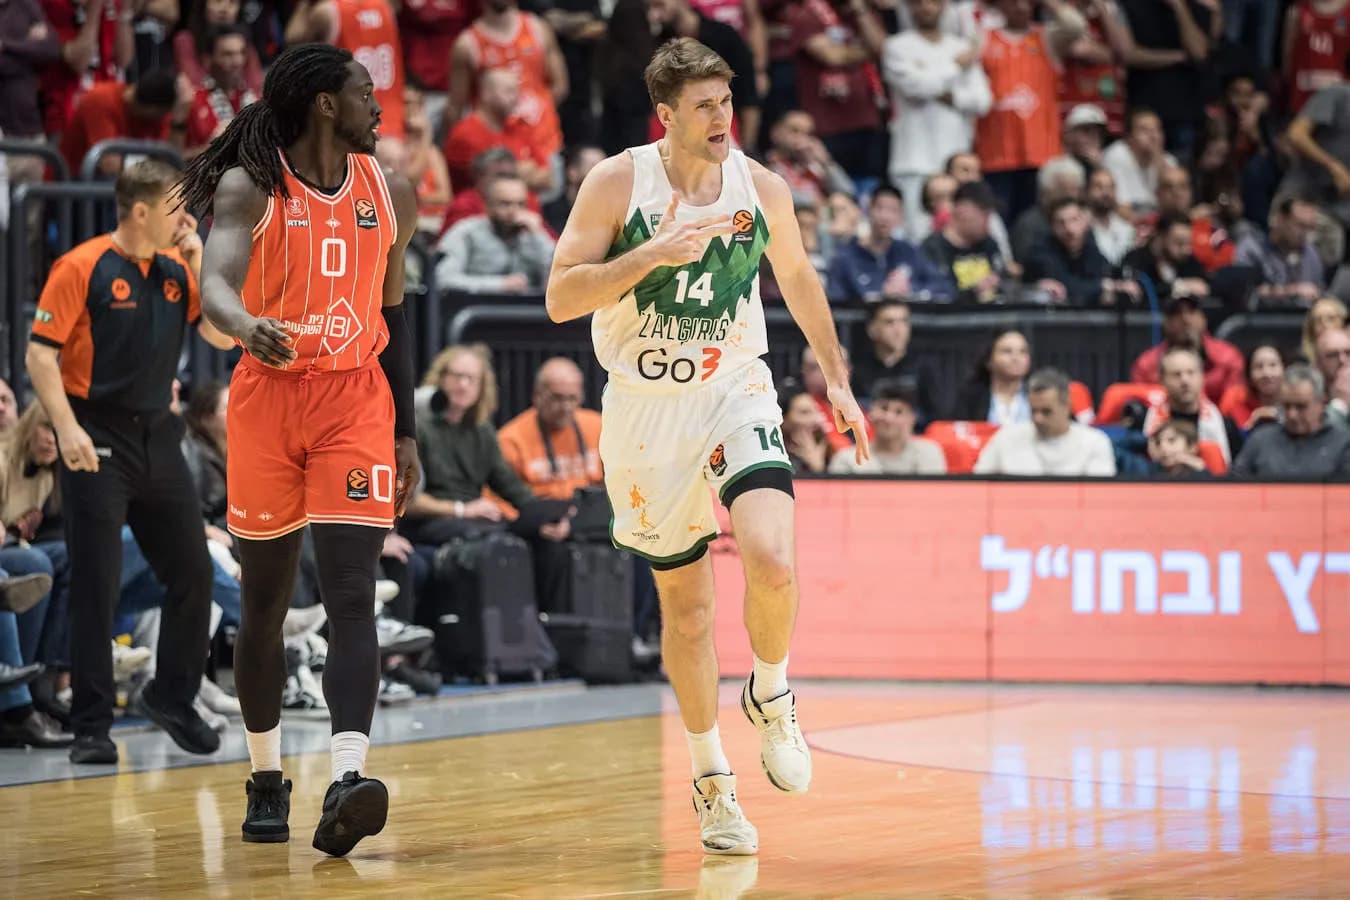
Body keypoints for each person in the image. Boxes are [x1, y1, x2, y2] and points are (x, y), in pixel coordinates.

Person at [545, 37, 870, 855]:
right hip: (648, 411)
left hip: (735, 389)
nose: (722, 115)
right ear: (665, 114)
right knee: (687, 615)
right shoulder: (619, 182)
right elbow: (558, 297)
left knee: (774, 558)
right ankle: (711, 780)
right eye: (704, 104)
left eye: (726, 99)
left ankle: (772, 689)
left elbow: (797, 277)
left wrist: (835, 380)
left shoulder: (762, 187)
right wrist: (649, 254)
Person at [178, 43, 421, 856]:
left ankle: (348, 777)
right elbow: (215, 283)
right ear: (323, 102)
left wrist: (408, 431)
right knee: (264, 605)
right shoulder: (253, 187)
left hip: (354, 399)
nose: (377, 103)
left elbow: (398, 318)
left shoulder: (394, 194)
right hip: (266, 402)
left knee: (353, 591)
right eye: (363, 90)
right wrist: (245, 324)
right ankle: (266, 775)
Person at [25, 160, 235, 766]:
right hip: (95, 432)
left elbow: (221, 338)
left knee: (194, 572)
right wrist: (66, 430)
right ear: (140, 211)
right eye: (175, 208)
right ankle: (92, 726)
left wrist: (199, 261)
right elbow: (41, 357)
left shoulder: (176, 265)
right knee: (96, 582)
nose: (186, 218)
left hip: (157, 435)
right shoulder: (82, 266)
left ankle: (171, 695)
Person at [882, 0, 992, 229]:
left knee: (962, 231)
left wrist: (951, 97)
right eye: (919, 3)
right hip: (913, 161)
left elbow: (982, 100)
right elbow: (916, 87)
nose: (926, 7)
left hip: (957, 160)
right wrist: (955, 67)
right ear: (909, 8)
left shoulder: (959, 46)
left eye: (933, 2)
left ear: (943, 7)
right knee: (918, 233)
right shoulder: (897, 46)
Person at [284, 0, 406, 165]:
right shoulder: (386, 7)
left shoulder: (327, 12)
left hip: (351, 126)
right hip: (392, 124)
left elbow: (292, 40)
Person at [973, 367, 1116, 475]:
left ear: (1066, 406)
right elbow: (978, 486)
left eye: (1046, 411)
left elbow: (1098, 501)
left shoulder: (1095, 443)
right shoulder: (1006, 438)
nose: (1038, 418)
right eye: (1033, 411)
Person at [496, 357, 603, 501]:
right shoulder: (510, 440)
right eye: (557, 398)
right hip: (538, 518)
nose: (565, 407)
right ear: (537, 396)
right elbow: (498, 501)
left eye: (572, 398)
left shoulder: (599, 427)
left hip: (593, 514)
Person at [827, 184, 953, 303]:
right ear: (868, 210)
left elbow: (944, 287)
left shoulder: (909, 251)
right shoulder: (845, 257)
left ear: (900, 216)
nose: (885, 217)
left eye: (893, 210)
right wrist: (881, 297)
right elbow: (837, 301)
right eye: (880, 208)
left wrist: (911, 291)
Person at [434, 172, 557, 293]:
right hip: (477, 307)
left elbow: (560, 279)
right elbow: (442, 279)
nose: (514, 211)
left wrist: (538, 236)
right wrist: (500, 284)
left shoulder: (534, 235)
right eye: (505, 204)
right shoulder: (466, 232)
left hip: (527, 309)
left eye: (520, 204)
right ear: (487, 206)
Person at [1232, 365, 1350, 479]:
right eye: (1286, 406)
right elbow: (1233, 485)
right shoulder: (1261, 439)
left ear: (1322, 403)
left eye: (1301, 407)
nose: (1291, 415)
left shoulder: (1344, 443)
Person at [1129, 294, 1243, 404]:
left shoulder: (1229, 358)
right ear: (1166, 323)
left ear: (1203, 319)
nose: (1185, 319)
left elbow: (1235, 405)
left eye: (1192, 311)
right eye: (1177, 313)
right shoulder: (1146, 365)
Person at [828, 380, 946, 475]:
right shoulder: (848, 460)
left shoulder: (929, 453)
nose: (889, 418)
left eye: (899, 412)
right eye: (884, 408)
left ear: (912, 419)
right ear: (870, 413)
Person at [849, 299, 939, 422]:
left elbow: (935, 415)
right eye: (889, 322)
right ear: (872, 329)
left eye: (904, 322)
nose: (898, 330)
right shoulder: (858, 369)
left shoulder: (925, 367)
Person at [921, 180, 1008, 303]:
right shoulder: (933, 248)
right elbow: (938, 294)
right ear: (963, 210)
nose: (988, 223)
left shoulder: (989, 244)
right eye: (984, 215)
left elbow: (1003, 280)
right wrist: (973, 292)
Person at [1234, 195, 1327, 305]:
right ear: (1280, 219)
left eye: (1310, 227)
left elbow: (1320, 292)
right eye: (1300, 226)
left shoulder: (1311, 254)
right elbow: (1245, 293)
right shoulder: (1252, 248)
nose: (1304, 233)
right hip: (1261, 319)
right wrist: (1293, 291)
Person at [184, 26, 258, 157]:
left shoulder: (254, 100)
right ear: (207, 59)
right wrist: (214, 148)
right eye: (228, 54)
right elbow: (175, 157)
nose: (238, 61)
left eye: (241, 53)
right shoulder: (191, 101)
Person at [953, 328, 1032, 423]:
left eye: (1023, 351)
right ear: (989, 360)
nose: (1016, 358)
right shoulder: (971, 398)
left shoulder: (1039, 394)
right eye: (1007, 351)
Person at [1219, 344, 1285, 433]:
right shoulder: (1234, 400)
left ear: (1285, 369)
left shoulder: (1298, 398)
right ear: (1249, 376)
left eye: (1273, 365)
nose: (1267, 373)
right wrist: (1252, 425)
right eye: (1259, 366)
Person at [1303, 296, 1347, 365]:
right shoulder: (1303, 361)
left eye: (1331, 318)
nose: (1325, 324)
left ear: (1343, 322)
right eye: (1318, 320)